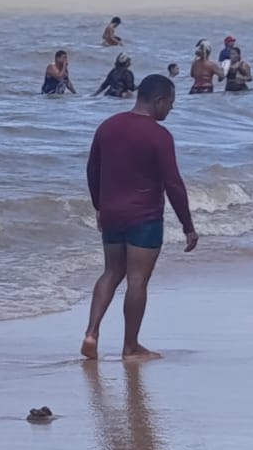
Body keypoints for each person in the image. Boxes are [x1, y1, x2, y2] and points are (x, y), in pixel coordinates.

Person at [82, 74, 198, 362]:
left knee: (111, 272)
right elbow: (173, 183)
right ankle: (130, 347)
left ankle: (91, 334)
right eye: (170, 103)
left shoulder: (107, 126)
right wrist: (188, 226)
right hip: (144, 217)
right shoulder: (159, 135)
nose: (171, 109)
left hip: (111, 213)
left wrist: (99, 207)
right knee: (137, 279)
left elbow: (92, 170)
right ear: (158, 101)